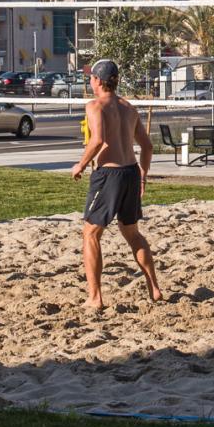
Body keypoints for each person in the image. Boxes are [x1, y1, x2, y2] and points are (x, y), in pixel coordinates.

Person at [70, 58, 164, 310]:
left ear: (99, 81)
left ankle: (95, 297)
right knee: (132, 233)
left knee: (90, 233)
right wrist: (143, 175)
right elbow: (147, 146)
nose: (89, 81)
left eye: (91, 77)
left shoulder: (95, 106)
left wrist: (80, 165)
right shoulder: (129, 107)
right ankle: (154, 287)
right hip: (131, 172)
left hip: (109, 175)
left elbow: (98, 140)